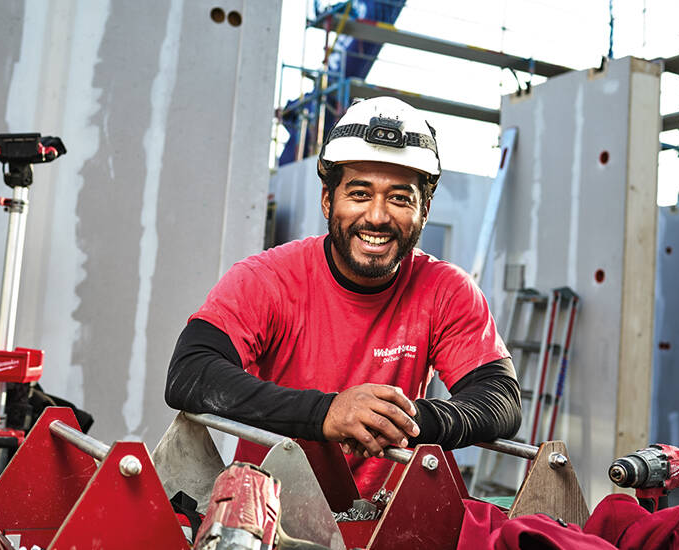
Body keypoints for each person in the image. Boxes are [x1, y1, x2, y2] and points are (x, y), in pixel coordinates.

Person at [165, 96, 521, 497]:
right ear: (327, 199)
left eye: (400, 198)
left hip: (387, 523)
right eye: (359, 193)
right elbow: (190, 372)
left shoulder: (445, 290)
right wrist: (326, 413)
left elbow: (501, 399)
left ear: (424, 210)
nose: (377, 216)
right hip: (270, 512)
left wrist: (403, 419)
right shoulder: (267, 279)